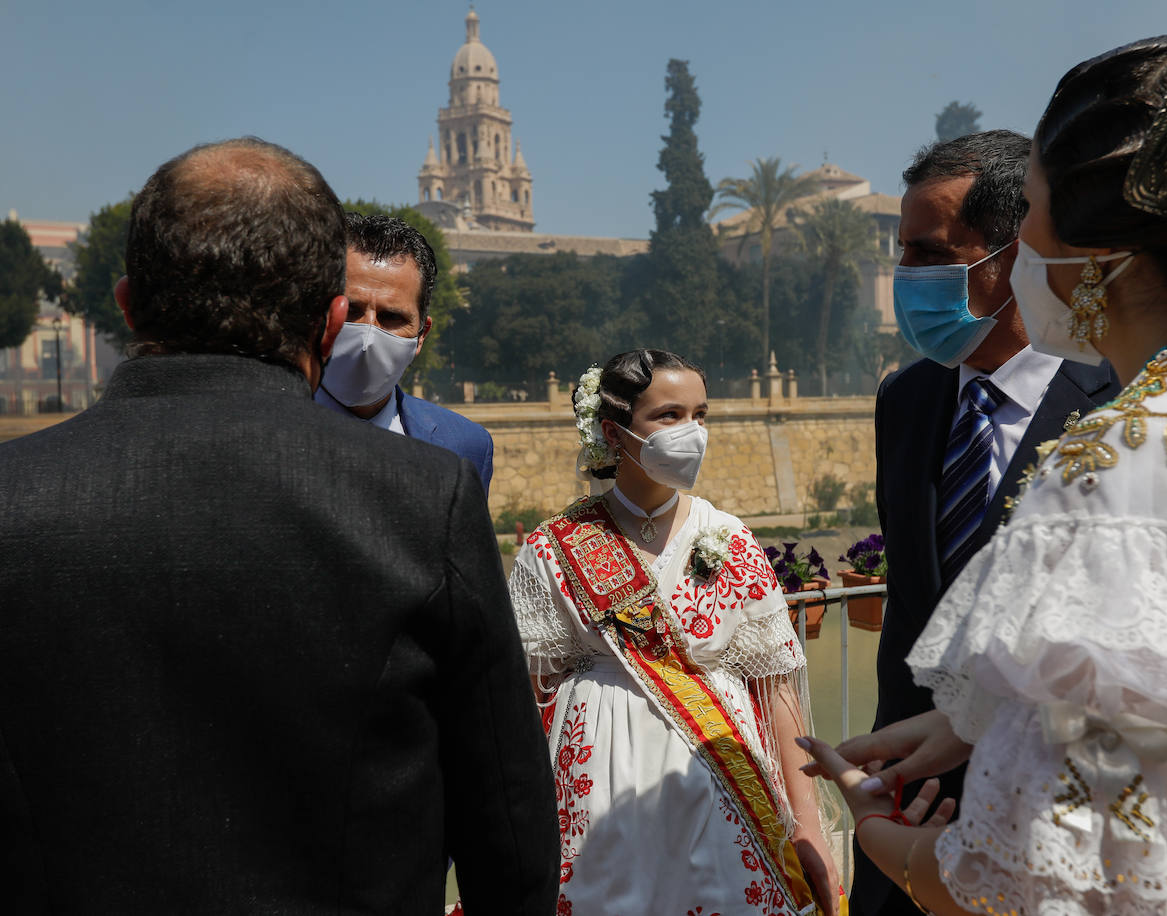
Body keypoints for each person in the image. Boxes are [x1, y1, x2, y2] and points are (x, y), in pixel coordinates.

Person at [804, 32, 1167, 915]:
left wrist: (873, 831)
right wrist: (972, 721)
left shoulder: (1117, 462)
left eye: (1029, 209)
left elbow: (1031, 881)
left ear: (1100, 256)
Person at [0, 137, 558, 914]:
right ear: (332, 324)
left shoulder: (13, 500)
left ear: (126, 305)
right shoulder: (426, 499)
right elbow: (509, 822)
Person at [856, 130, 1119, 915]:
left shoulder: (1118, 406)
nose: (907, 278)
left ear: (1012, 257)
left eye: (931, 254)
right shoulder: (906, 401)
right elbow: (913, 603)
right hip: (905, 800)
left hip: (1052, 810)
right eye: (903, 254)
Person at [510, 349, 843, 915]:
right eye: (668, 416)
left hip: (718, 781)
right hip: (596, 783)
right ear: (614, 434)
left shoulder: (731, 538)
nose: (691, 432)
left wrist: (806, 824)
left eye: (700, 414)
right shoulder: (554, 546)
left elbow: (775, 693)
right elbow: (523, 700)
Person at [316, 211, 494, 491]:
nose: (368, 335)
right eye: (351, 311)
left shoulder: (465, 447)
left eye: (391, 318)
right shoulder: (257, 429)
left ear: (421, 335)